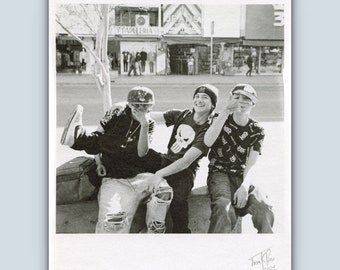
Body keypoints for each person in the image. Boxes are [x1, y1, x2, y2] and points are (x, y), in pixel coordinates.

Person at [60, 86, 173, 233]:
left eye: (145, 106)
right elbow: (99, 135)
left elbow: (142, 153)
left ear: (151, 106)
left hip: (139, 175)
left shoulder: (149, 123)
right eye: (135, 105)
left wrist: (144, 124)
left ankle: (153, 233)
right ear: (129, 104)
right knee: (112, 224)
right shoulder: (118, 111)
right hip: (114, 177)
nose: (139, 109)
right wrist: (99, 162)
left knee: (164, 190)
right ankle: (77, 137)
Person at [130, 84, 219, 233]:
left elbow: (185, 162)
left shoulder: (208, 129)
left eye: (205, 97)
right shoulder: (183, 115)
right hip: (166, 159)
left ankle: (181, 233)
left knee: (178, 200)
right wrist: (134, 109)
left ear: (212, 105)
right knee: (138, 156)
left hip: (185, 171)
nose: (199, 100)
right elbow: (153, 116)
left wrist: (159, 174)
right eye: (196, 96)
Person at [204, 83, 274, 233]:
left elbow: (252, 163)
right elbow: (208, 141)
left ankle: (267, 246)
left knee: (263, 206)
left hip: (242, 174)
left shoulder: (257, 129)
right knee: (223, 206)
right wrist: (226, 110)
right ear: (230, 98)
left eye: (246, 99)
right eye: (236, 97)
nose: (240, 102)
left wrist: (244, 186)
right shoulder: (219, 117)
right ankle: (216, 249)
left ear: (253, 104)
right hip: (219, 171)